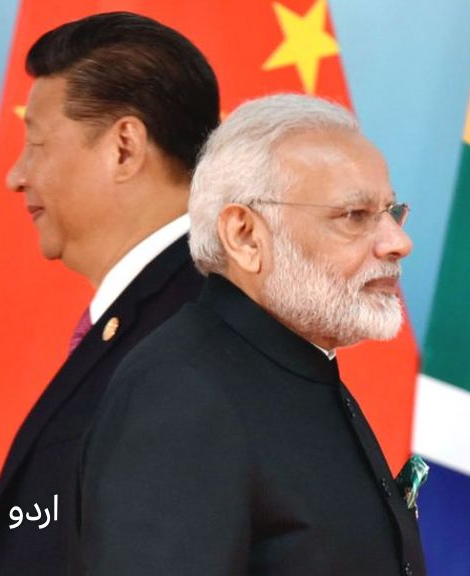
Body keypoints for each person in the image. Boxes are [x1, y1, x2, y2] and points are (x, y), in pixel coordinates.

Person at [79, 94, 426, 575]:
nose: (398, 242)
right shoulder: (180, 393)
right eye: (354, 215)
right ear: (244, 236)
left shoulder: (296, 366)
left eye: (391, 211)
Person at [0, 12, 220, 575]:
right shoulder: (171, 314)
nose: (15, 175)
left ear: (124, 147)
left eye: (36, 143)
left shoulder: (193, 336)